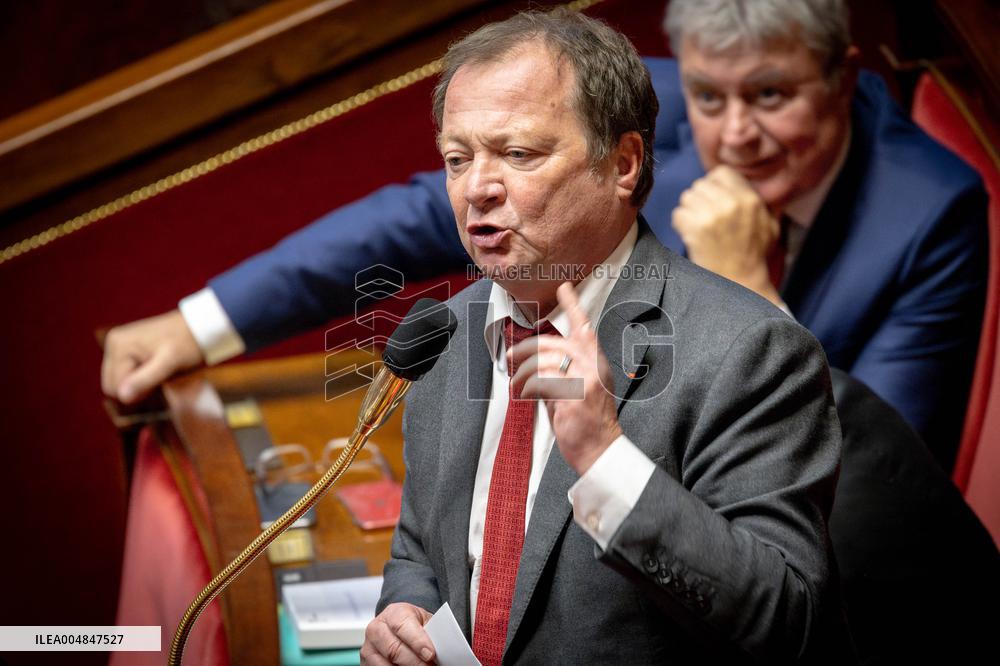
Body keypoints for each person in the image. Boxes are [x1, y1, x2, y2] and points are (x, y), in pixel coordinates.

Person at [101, 0, 987, 468]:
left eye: (771, 96)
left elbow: (879, 478)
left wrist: (748, 294)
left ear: (841, 76)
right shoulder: (654, 107)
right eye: (711, 97)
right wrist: (200, 323)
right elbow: (416, 216)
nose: (735, 136)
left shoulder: (930, 214)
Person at [360, 10, 847, 665]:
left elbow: (788, 621)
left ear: (622, 163)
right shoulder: (447, 333)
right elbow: (422, 545)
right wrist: (404, 609)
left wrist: (607, 460)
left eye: (517, 153)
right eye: (457, 158)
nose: (477, 188)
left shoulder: (749, 352)